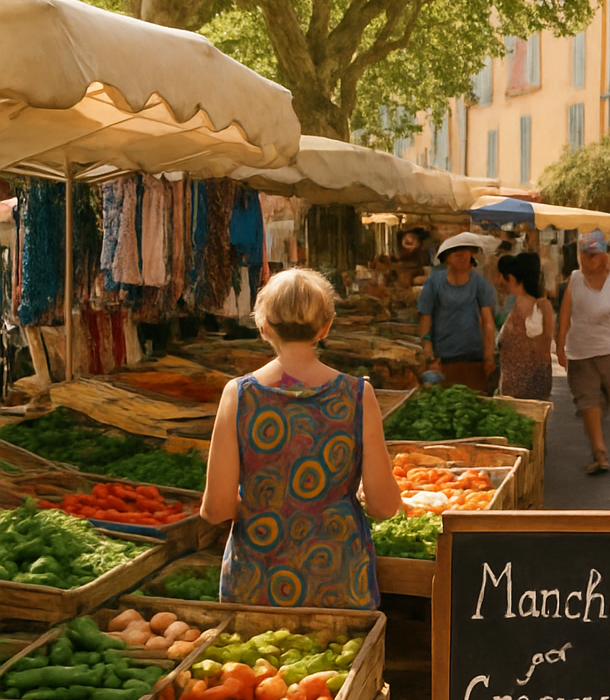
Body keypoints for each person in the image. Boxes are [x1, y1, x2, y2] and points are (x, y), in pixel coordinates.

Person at [201, 268, 402, 609]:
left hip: (257, 580)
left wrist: (270, 504)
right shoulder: (356, 395)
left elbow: (217, 509)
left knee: (255, 663)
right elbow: (384, 507)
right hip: (338, 578)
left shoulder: (239, 395)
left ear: (263, 326)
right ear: (326, 327)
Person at [557, 230, 610, 474]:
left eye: (593, 254)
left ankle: (597, 442)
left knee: (603, 398)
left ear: (603, 256)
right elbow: (565, 315)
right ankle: (599, 452)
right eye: (584, 254)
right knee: (588, 401)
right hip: (579, 353)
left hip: (607, 353)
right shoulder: (575, 279)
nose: (587, 259)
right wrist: (559, 347)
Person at [418, 232, 498, 392]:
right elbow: (425, 321)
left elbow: (488, 321)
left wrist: (489, 356)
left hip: (474, 359)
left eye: (466, 255)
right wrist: (429, 357)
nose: (463, 259)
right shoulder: (433, 284)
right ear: (447, 259)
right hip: (443, 360)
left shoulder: (479, 284)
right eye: (458, 255)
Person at [497, 252, 554, 401]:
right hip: (536, 379)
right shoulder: (542, 305)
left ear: (514, 278)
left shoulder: (520, 304)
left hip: (521, 383)